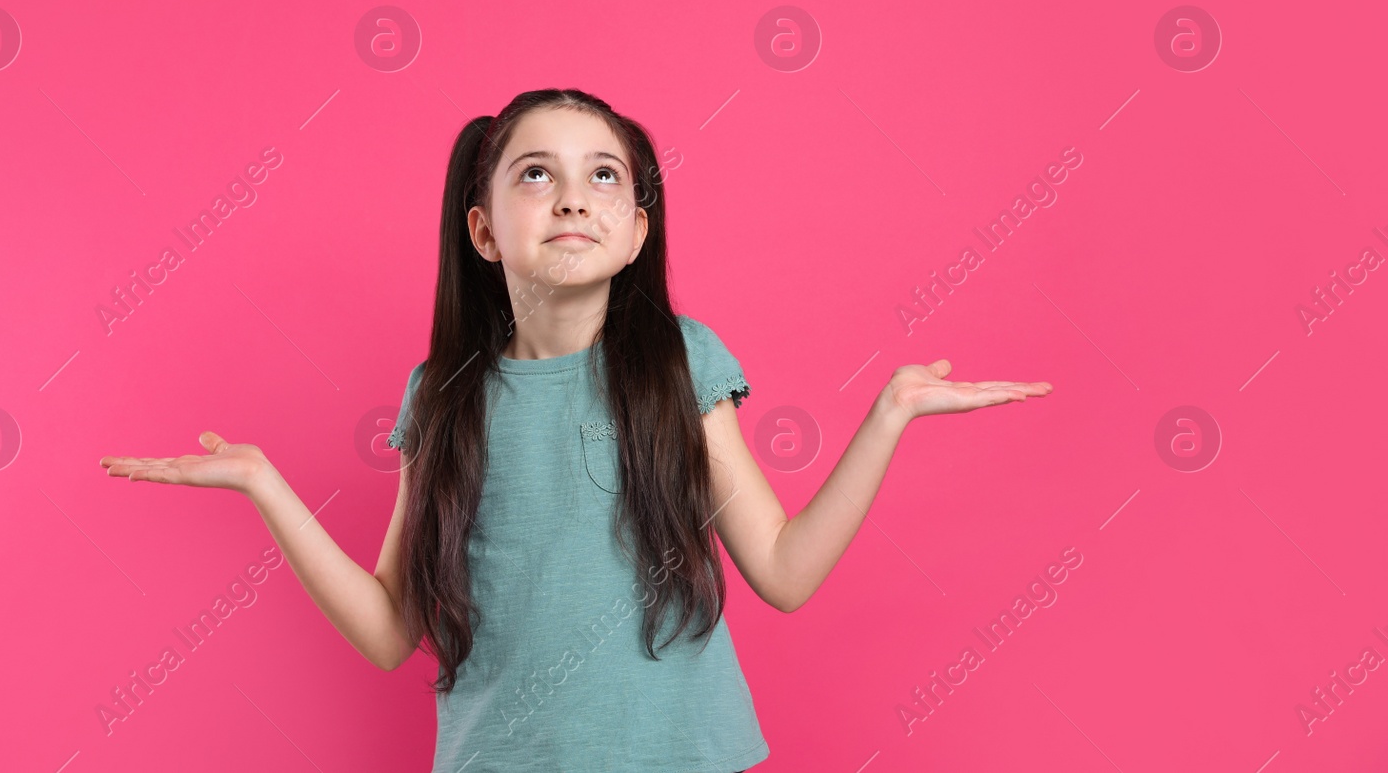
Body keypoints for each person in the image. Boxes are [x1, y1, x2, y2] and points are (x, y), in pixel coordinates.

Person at [99, 88, 1052, 771]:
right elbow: (393, 631)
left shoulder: (679, 362)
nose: (570, 196)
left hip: (682, 755)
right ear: (482, 231)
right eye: (535, 173)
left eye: (603, 175)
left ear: (636, 229)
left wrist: (888, 417)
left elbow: (786, 571)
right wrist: (266, 484)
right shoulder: (444, 394)